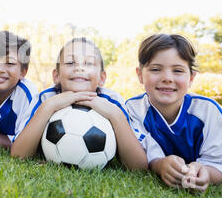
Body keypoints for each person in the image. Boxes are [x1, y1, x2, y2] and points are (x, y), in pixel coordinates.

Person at [126, 33, 222, 192]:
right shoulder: (132, 110)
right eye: (156, 69)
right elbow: (138, 157)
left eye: (177, 70)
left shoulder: (208, 111)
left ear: (191, 78)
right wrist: (160, 165)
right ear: (140, 75)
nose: (167, 78)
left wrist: (205, 173)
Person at [11, 37, 148, 170]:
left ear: (102, 78)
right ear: (56, 76)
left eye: (89, 63)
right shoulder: (45, 99)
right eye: (70, 62)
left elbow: (139, 167)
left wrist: (115, 116)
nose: (79, 68)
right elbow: (18, 155)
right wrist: (48, 107)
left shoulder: (113, 101)